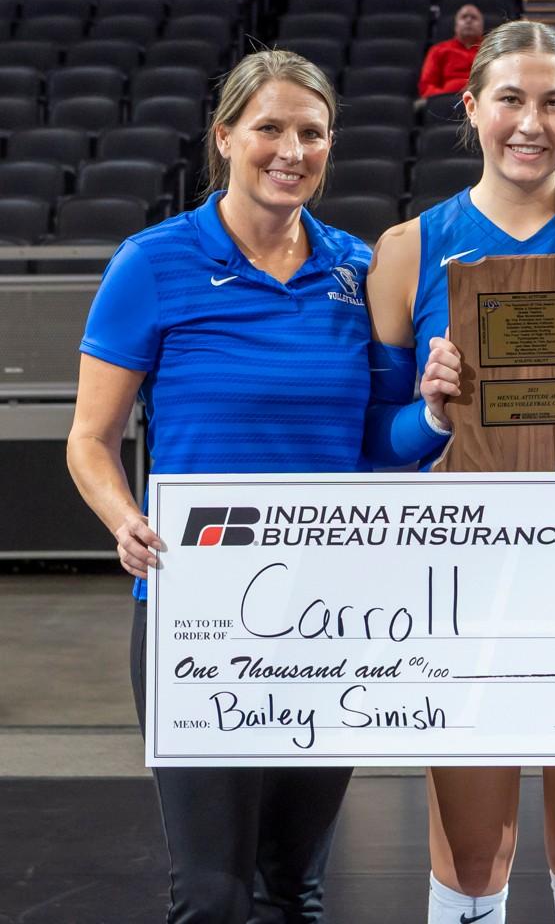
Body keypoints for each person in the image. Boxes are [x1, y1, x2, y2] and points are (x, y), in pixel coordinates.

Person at [364, 19, 555, 924]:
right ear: (471, 108)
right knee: (474, 856)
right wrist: (430, 413)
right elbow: (379, 444)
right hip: (465, 573)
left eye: (554, 102)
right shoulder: (410, 247)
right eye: (510, 99)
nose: (531, 122)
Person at [67, 49, 373, 924]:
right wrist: (125, 519)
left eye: (312, 132)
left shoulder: (357, 271)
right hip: (196, 609)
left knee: (294, 889)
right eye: (270, 127)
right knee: (211, 893)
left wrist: (432, 412)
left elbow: (387, 437)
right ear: (226, 136)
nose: (292, 150)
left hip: (332, 612)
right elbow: (89, 441)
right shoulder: (152, 264)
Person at [419, 3, 485, 100]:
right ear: (456, 26)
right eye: (464, 17)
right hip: (445, 101)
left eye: (474, 18)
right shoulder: (438, 49)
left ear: (482, 27)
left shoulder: (489, 49)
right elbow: (426, 86)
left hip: (481, 99)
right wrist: (446, 97)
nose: (468, 20)